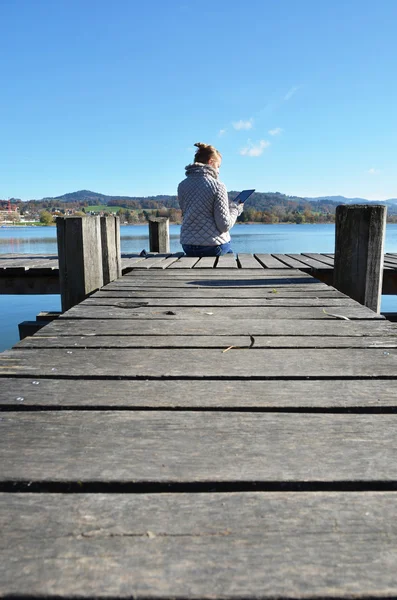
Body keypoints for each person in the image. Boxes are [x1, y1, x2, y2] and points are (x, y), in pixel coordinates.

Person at [177, 142, 244, 257]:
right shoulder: (218, 186)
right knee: (228, 251)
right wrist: (235, 209)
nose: (218, 171)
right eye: (218, 166)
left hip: (187, 246)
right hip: (212, 247)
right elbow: (224, 225)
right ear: (211, 162)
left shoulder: (182, 185)